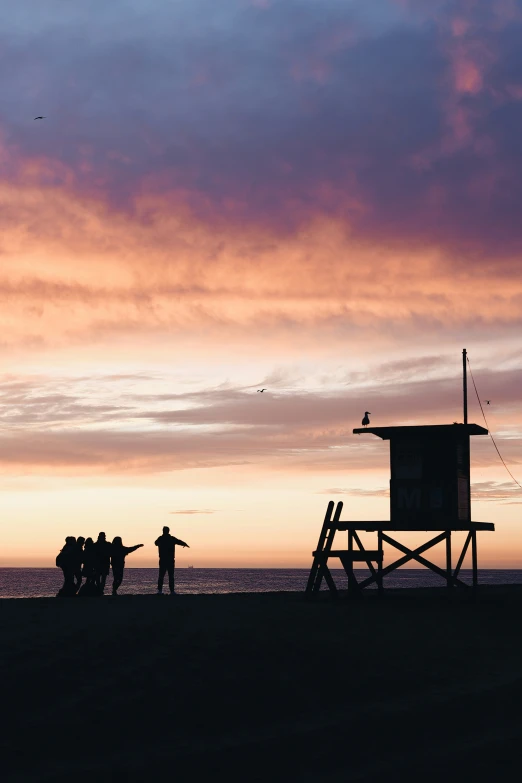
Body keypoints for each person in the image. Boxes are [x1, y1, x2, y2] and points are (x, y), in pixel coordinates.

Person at [154, 526, 189, 595]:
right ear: (168, 531)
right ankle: (171, 591)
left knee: (162, 575)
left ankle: (160, 590)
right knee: (170, 576)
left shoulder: (161, 538)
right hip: (170, 560)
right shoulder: (171, 538)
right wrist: (185, 544)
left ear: (163, 531)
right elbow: (179, 541)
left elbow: (155, 543)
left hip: (163, 560)